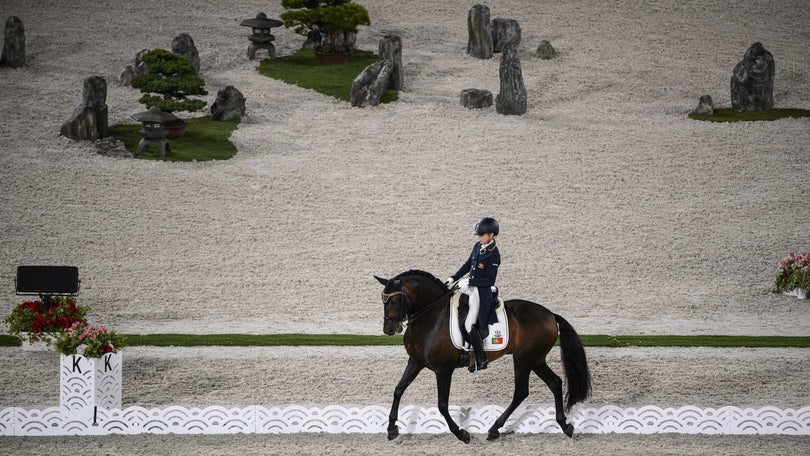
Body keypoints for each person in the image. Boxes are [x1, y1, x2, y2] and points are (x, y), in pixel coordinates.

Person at [445, 217, 501, 372]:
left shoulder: (494, 254)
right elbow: (467, 265)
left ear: (491, 235)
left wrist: (471, 282)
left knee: (469, 324)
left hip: (481, 292)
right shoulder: (478, 246)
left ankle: (481, 359)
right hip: (470, 287)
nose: (479, 237)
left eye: (482, 235)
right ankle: (463, 348)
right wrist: (453, 278)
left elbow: (490, 280)